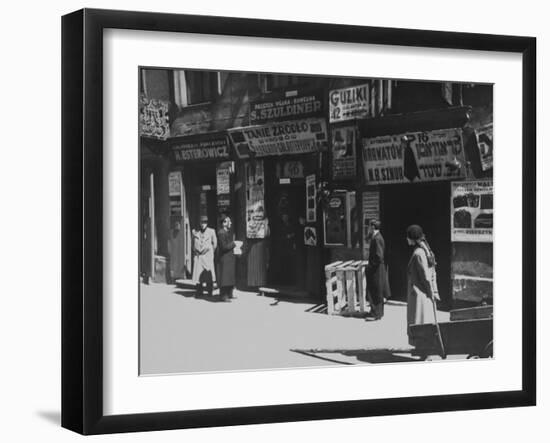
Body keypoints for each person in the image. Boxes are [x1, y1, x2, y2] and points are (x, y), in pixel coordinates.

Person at [405, 224, 440, 346]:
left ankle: (423, 349)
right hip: (424, 295)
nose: (406, 239)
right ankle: (424, 348)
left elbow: (425, 277)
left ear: (413, 238)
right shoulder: (425, 250)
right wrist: (434, 292)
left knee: (419, 322)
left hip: (420, 295)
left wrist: (432, 293)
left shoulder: (418, 254)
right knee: (424, 322)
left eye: (408, 237)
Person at [366, 220, 391, 320]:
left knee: (375, 291)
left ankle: (375, 314)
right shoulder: (376, 237)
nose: (368, 229)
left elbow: (378, 256)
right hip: (377, 268)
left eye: (369, 227)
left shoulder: (377, 238)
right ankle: (377, 313)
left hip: (376, 270)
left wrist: (370, 267)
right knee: (377, 291)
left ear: (372, 227)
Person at [192, 215, 217, 298]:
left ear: (207, 223)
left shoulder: (211, 231)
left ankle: (210, 291)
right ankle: (199, 291)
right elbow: (193, 244)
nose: (203, 224)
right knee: (199, 275)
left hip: (207, 256)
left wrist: (210, 252)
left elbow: (215, 244)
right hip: (199, 256)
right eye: (202, 222)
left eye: (205, 222)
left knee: (208, 274)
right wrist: (195, 251)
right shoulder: (196, 232)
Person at [217, 215, 237, 301]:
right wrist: (233, 244)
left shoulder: (226, 232)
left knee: (229, 277)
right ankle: (223, 296)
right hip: (224, 259)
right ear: (224, 223)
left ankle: (229, 294)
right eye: (229, 221)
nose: (231, 223)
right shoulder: (221, 233)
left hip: (228, 258)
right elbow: (224, 247)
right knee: (225, 277)